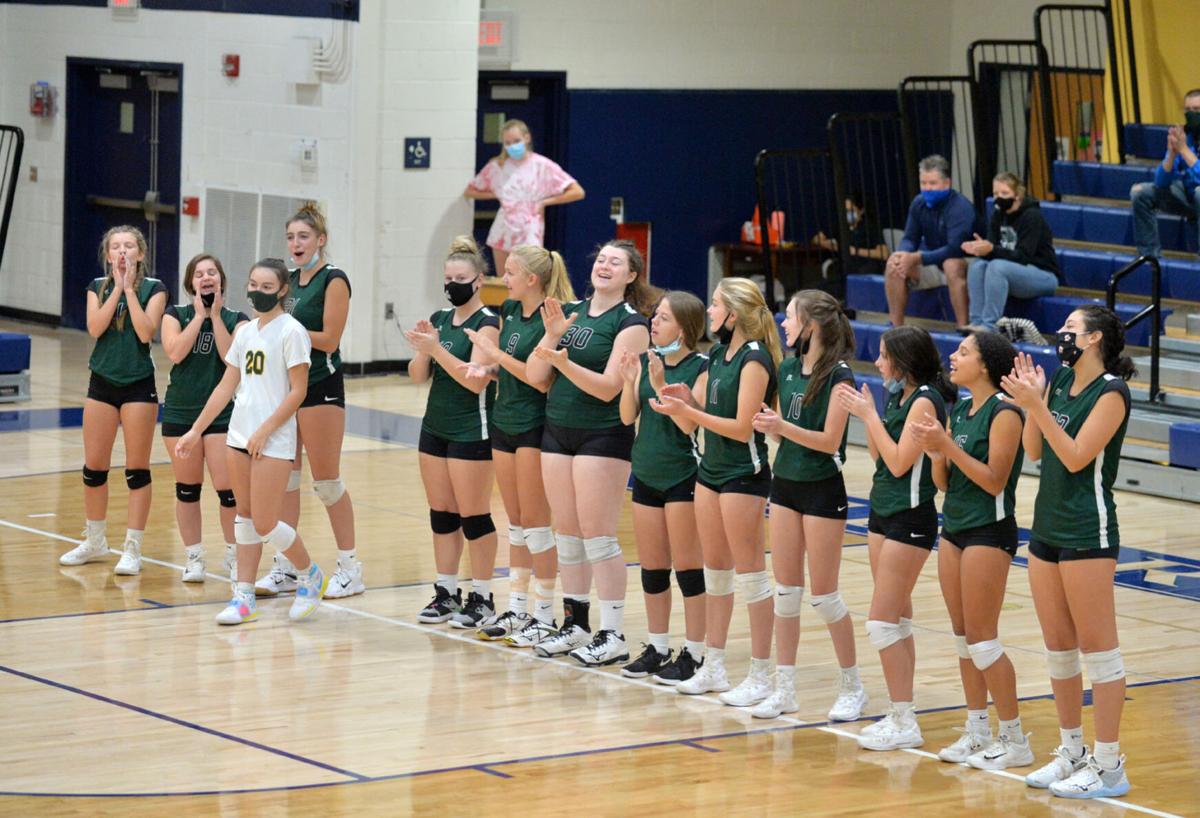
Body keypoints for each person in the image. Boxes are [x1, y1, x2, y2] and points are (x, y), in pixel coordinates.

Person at [1001, 305, 1135, 800]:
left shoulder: (1112, 393)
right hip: (1047, 527)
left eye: (1071, 330)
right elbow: (1035, 451)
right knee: (1058, 650)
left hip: (1088, 530)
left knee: (1099, 652)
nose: (1062, 337)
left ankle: (1109, 764)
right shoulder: (1058, 381)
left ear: (1095, 338)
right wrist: (1027, 400)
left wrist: (1036, 406)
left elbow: (1078, 456)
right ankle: (1073, 752)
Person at [523, 239, 654, 666]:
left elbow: (608, 389)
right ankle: (575, 622)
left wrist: (563, 364)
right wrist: (552, 335)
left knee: (598, 535)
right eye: (601, 259)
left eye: (616, 262)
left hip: (603, 434)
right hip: (557, 429)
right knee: (568, 533)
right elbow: (535, 374)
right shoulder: (571, 310)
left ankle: (613, 631)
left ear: (631, 275)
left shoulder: (631, 323)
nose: (605, 265)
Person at [652, 277, 781, 706]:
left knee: (751, 576)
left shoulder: (755, 358)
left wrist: (692, 410)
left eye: (714, 305)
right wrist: (674, 396)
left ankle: (763, 674)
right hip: (710, 471)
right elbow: (692, 422)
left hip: (744, 473)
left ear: (734, 313)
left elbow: (743, 427)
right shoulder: (716, 358)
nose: (708, 312)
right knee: (717, 572)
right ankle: (715, 666)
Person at [176, 258, 325, 625]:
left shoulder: (292, 332)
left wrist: (266, 430)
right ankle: (243, 597)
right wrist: (196, 430)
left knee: (264, 521)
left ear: (283, 290)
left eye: (266, 287)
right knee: (243, 517)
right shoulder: (245, 333)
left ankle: (309, 575)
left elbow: (298, 391)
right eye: (253, 285)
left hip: (272, 439)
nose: (257, 293)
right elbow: (228, 385)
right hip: (239, 435)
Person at [910, 331, 1032, 770]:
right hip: (955, 527)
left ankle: (1015, 738)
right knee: (964, 640)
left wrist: (947, 448)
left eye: (963, 352)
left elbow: (995, 479)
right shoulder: (960, 410)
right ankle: (978, 729)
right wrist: (935, 454)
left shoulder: (1006, 413)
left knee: (983, 640)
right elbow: (944, 483)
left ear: (985, 366)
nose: (953, 357)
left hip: (989, 530)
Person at [834, 325, 955, 751]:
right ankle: (901, 713)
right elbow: (880, 453)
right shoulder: (898, 395)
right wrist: (869, 414)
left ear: (904, 362)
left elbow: (903, 463)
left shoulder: (925, 401)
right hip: (883, 512)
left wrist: (867, 416)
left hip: (911, 517)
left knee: (881, 623)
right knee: (897, 621)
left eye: (885, 356)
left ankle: (904, 720)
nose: (879, 362)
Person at [749, 290, 867, 721]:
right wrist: (770, 427)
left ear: (811, 325)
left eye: (790, 315)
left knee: (825, 596)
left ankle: (852, 686)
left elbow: (829, 442)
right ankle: (785, 689)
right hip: (786, 485)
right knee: (786, 592)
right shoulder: (786, 367)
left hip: (821, 490)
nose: (783, 322)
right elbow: (785, 434)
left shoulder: (839, 376)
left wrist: (781, 425)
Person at [464, 244, 574, 644]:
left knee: (536, 524)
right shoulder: (509, 312)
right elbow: (512, 368)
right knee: (515, 525)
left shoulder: (552, 317)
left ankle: (544, 614)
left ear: (532, 279)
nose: (503, 279)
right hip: (503, 419)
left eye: (509, 273)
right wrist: (486, 367)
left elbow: (540, 378)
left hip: (534, 426)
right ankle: (517, 608)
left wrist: (494, 353)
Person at [256, 202, 360, 599]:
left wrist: (287, 327)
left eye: (303, 236)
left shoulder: (334, 279)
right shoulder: (288, 281)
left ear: (321, 240)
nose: (296, 244)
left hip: (321, 388)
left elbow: (330, 339)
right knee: (287, 481)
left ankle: (350, 567)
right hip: (286, 390)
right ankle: (286, 567)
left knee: (327, 483)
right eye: (290, 237)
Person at [405, 237, 501, 628]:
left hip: (471, 429)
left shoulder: (488, 323)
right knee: (442, 515)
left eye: (460, 278)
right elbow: (416, 376)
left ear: (478, 281)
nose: (451, 285)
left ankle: (482, 597)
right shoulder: (441, 319)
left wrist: (438, 349)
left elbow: (475, 382)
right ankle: (447, 592)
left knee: (474, 516)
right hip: (435, 427)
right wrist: (423, 349)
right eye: (447, 278)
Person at [60, 226, 168, 574]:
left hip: (138, 384)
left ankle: (132, 548)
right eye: (116, 247)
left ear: (140, 253)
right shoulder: (96, 286)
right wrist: (117, 288)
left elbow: (145, 332)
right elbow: (94, 327)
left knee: (136, 470)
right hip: (102, 382)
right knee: (94, 469)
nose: (122, 251)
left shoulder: (155, 289)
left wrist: (130, 291)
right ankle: (95, 540)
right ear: (108, 255)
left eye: (129, 246)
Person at [617, 291, 709, 684]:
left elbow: (689, 424)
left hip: (683, 476)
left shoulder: (702, 368)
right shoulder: (643, 361)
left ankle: (696, 652)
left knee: (687, 569)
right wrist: (628, 382)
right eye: (655, 316)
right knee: (652, 569)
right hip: (646, 473)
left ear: (685, 329)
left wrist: (658, 384)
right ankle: (657, 646)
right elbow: (626, 417)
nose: (654, 323)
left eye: (664, 318)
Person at [160, 253, 248, 582]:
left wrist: (214, 317)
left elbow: (230, 358)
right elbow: (175, 352)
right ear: (190, 283)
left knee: (228, 491)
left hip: (223, 414)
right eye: (199, 274)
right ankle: (194, 557)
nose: (206, 277)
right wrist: (198, 317)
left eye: (212, 272)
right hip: (182, 410)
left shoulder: (237, 319)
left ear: (221, 280)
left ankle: (234, 554)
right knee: (187, 488)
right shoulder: (176, 314)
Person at [464, 118, 586, 274]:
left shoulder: (542, 166)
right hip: (503, 230)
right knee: (505, 282)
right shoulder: (497, 166)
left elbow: (577, 191)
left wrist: (545, 202)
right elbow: (470, 191)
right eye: (507, 143)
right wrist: (496, 193)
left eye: (516, 141)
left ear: (527, 138)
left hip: (530, 230)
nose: (512, 146)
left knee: (528, 280)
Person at [961, 172, 1060, 334]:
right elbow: (993, 250)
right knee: (977, 265)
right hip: (1012, 273)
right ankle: (976, 321)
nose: (999, 197)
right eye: (995, 194)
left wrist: (991, 249)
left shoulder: (1032, 216)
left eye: (1004, 193)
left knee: (996, 266)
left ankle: (989, 325)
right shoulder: (997, 215)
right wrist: (980, 249)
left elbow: (1023, 256)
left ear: (1018, 195)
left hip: (1043, 274)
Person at [885, 154, 976, 328]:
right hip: (933, 263)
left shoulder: (960, 207)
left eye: (933, 184)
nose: (927, 189)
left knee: (952, 264)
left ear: (947, 183)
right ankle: (895, 327)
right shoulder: (919, 203)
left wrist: (918, 258)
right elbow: (910, 237)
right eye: (923, 184)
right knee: (893, 264)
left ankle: (963, 327)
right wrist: (902, 254)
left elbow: (954, 248)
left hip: (966, 262)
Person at [1130, 89, 1200, 260]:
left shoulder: (1185, 144)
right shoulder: (1185, 135)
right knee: (1140, 192)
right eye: (1188, 110)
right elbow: (1161, 182)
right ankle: (1149, 259)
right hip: (1187, 195)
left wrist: (1183, 150)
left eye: (1197, 110)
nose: (1191, 114)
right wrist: (1172, 154)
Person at [814, 192, 889, 277]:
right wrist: (826, 244)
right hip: (845, 267)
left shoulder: (870, 227)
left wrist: (854, 251)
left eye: (851, 211)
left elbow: (884, 253)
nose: (848, 214)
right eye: (845, 211)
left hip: (865, 267)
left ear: (861, 210)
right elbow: (817, 238)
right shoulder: (841, 227)